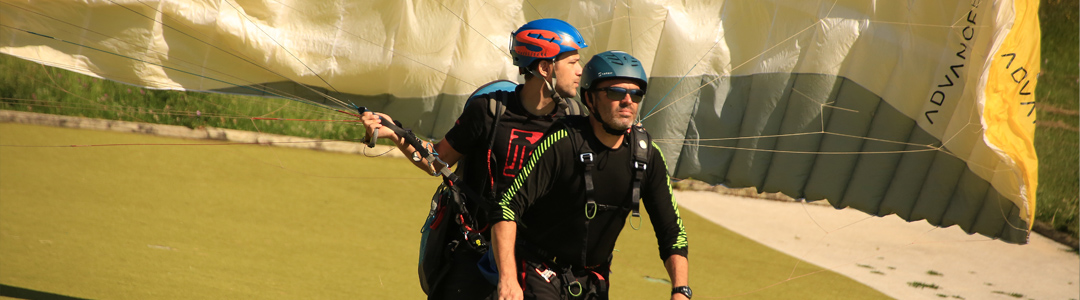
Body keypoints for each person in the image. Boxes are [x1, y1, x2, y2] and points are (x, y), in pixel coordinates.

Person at [360, 18, 588, 300]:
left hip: (540, 264)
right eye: (572, 62)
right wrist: (396, 133)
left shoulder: (576, 120)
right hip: (476, 253)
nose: (580, 71)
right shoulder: (490, 111)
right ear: (545, 67)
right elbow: (437, 161)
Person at [490, 50, 690, 300]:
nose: (628, 101)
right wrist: (507, 279)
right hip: (537, 271)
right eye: (616, 92)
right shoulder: (563, 143)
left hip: (593, 283)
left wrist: (681, 291)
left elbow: (672, 232)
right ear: (590, 98)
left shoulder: (647, 155)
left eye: (636, 94)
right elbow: (507, 207)